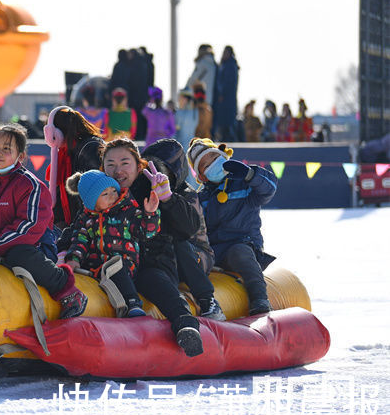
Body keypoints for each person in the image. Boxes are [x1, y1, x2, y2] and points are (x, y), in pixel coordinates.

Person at [0, 123, 88, 319]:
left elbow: (29, 227)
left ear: (21, 156)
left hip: (33, 249)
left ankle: (66, 290)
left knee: (18, 254)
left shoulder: (30, 185)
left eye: (6, 149)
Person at [101, 138, 204, 356]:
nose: (117, 170)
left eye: (124, 163)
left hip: (151, 262)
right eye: (110, 164)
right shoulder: (99, 193)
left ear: (139, 166)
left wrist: (167, 198)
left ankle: (185, 323)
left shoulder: (153, 189)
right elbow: (81, 225)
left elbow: (189, 228)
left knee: (156, 281)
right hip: (111, 265)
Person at [187, 138, 277, 316]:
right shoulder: (201, 198)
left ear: (224, 157)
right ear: (202, 176)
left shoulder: (245, 184)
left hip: (243, 243)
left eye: (214, 159)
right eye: (206, 165)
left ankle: (260, 298)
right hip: (213, 250)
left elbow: (269, 188)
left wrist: (250, 174)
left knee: (240, 254)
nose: (213, 164)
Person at [142, 138, 225, 321]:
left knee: (177, 243)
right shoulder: (145, 191)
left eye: (162, 170)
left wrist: (168, 201)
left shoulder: (186, 195)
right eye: (150, 169)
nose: (156, 175)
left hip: (195, 254)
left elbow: (185, 230)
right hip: (165, 257)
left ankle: (206, 299)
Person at [60, 170, 160, 318]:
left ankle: (133, 303)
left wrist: (150, 214)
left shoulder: (127, 211)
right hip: (96, 267)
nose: (113, 195)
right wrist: (73, 260)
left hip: (124, 263)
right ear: (92, 202)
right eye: (105, 194)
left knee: (116, 270)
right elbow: (80, 241)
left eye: (114, 190)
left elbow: (146, 232)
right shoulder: (86, 219)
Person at [42, 105, 105, 231]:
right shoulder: (65, 153)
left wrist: (78, 226)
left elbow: (92, 192)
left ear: (56, 133)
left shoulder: (90, 147)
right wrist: (59, 221)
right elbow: (59, 193)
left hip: (90, 225)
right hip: (74, 224)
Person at [213, 46, 239, 142]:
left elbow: (227, 83)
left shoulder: (230, 66)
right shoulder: (226, 65)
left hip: (227, 101)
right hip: (227, 101)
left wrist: (221, 94)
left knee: (227, 126)